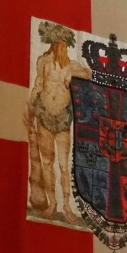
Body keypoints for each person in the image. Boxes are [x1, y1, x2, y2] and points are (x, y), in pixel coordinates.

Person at [24, 21, 90, 220]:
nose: (63, 48)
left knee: (63, 164)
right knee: (47, 162)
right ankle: (53, 202)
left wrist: (72, 74)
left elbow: (88, 73)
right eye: (60, 44)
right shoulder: (43, 62)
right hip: (44, 114)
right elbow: (38, 85)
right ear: (53, 44)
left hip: (62, 117)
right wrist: (30, 109)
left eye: (65, 44)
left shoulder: (71, 65)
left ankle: (67, 205)